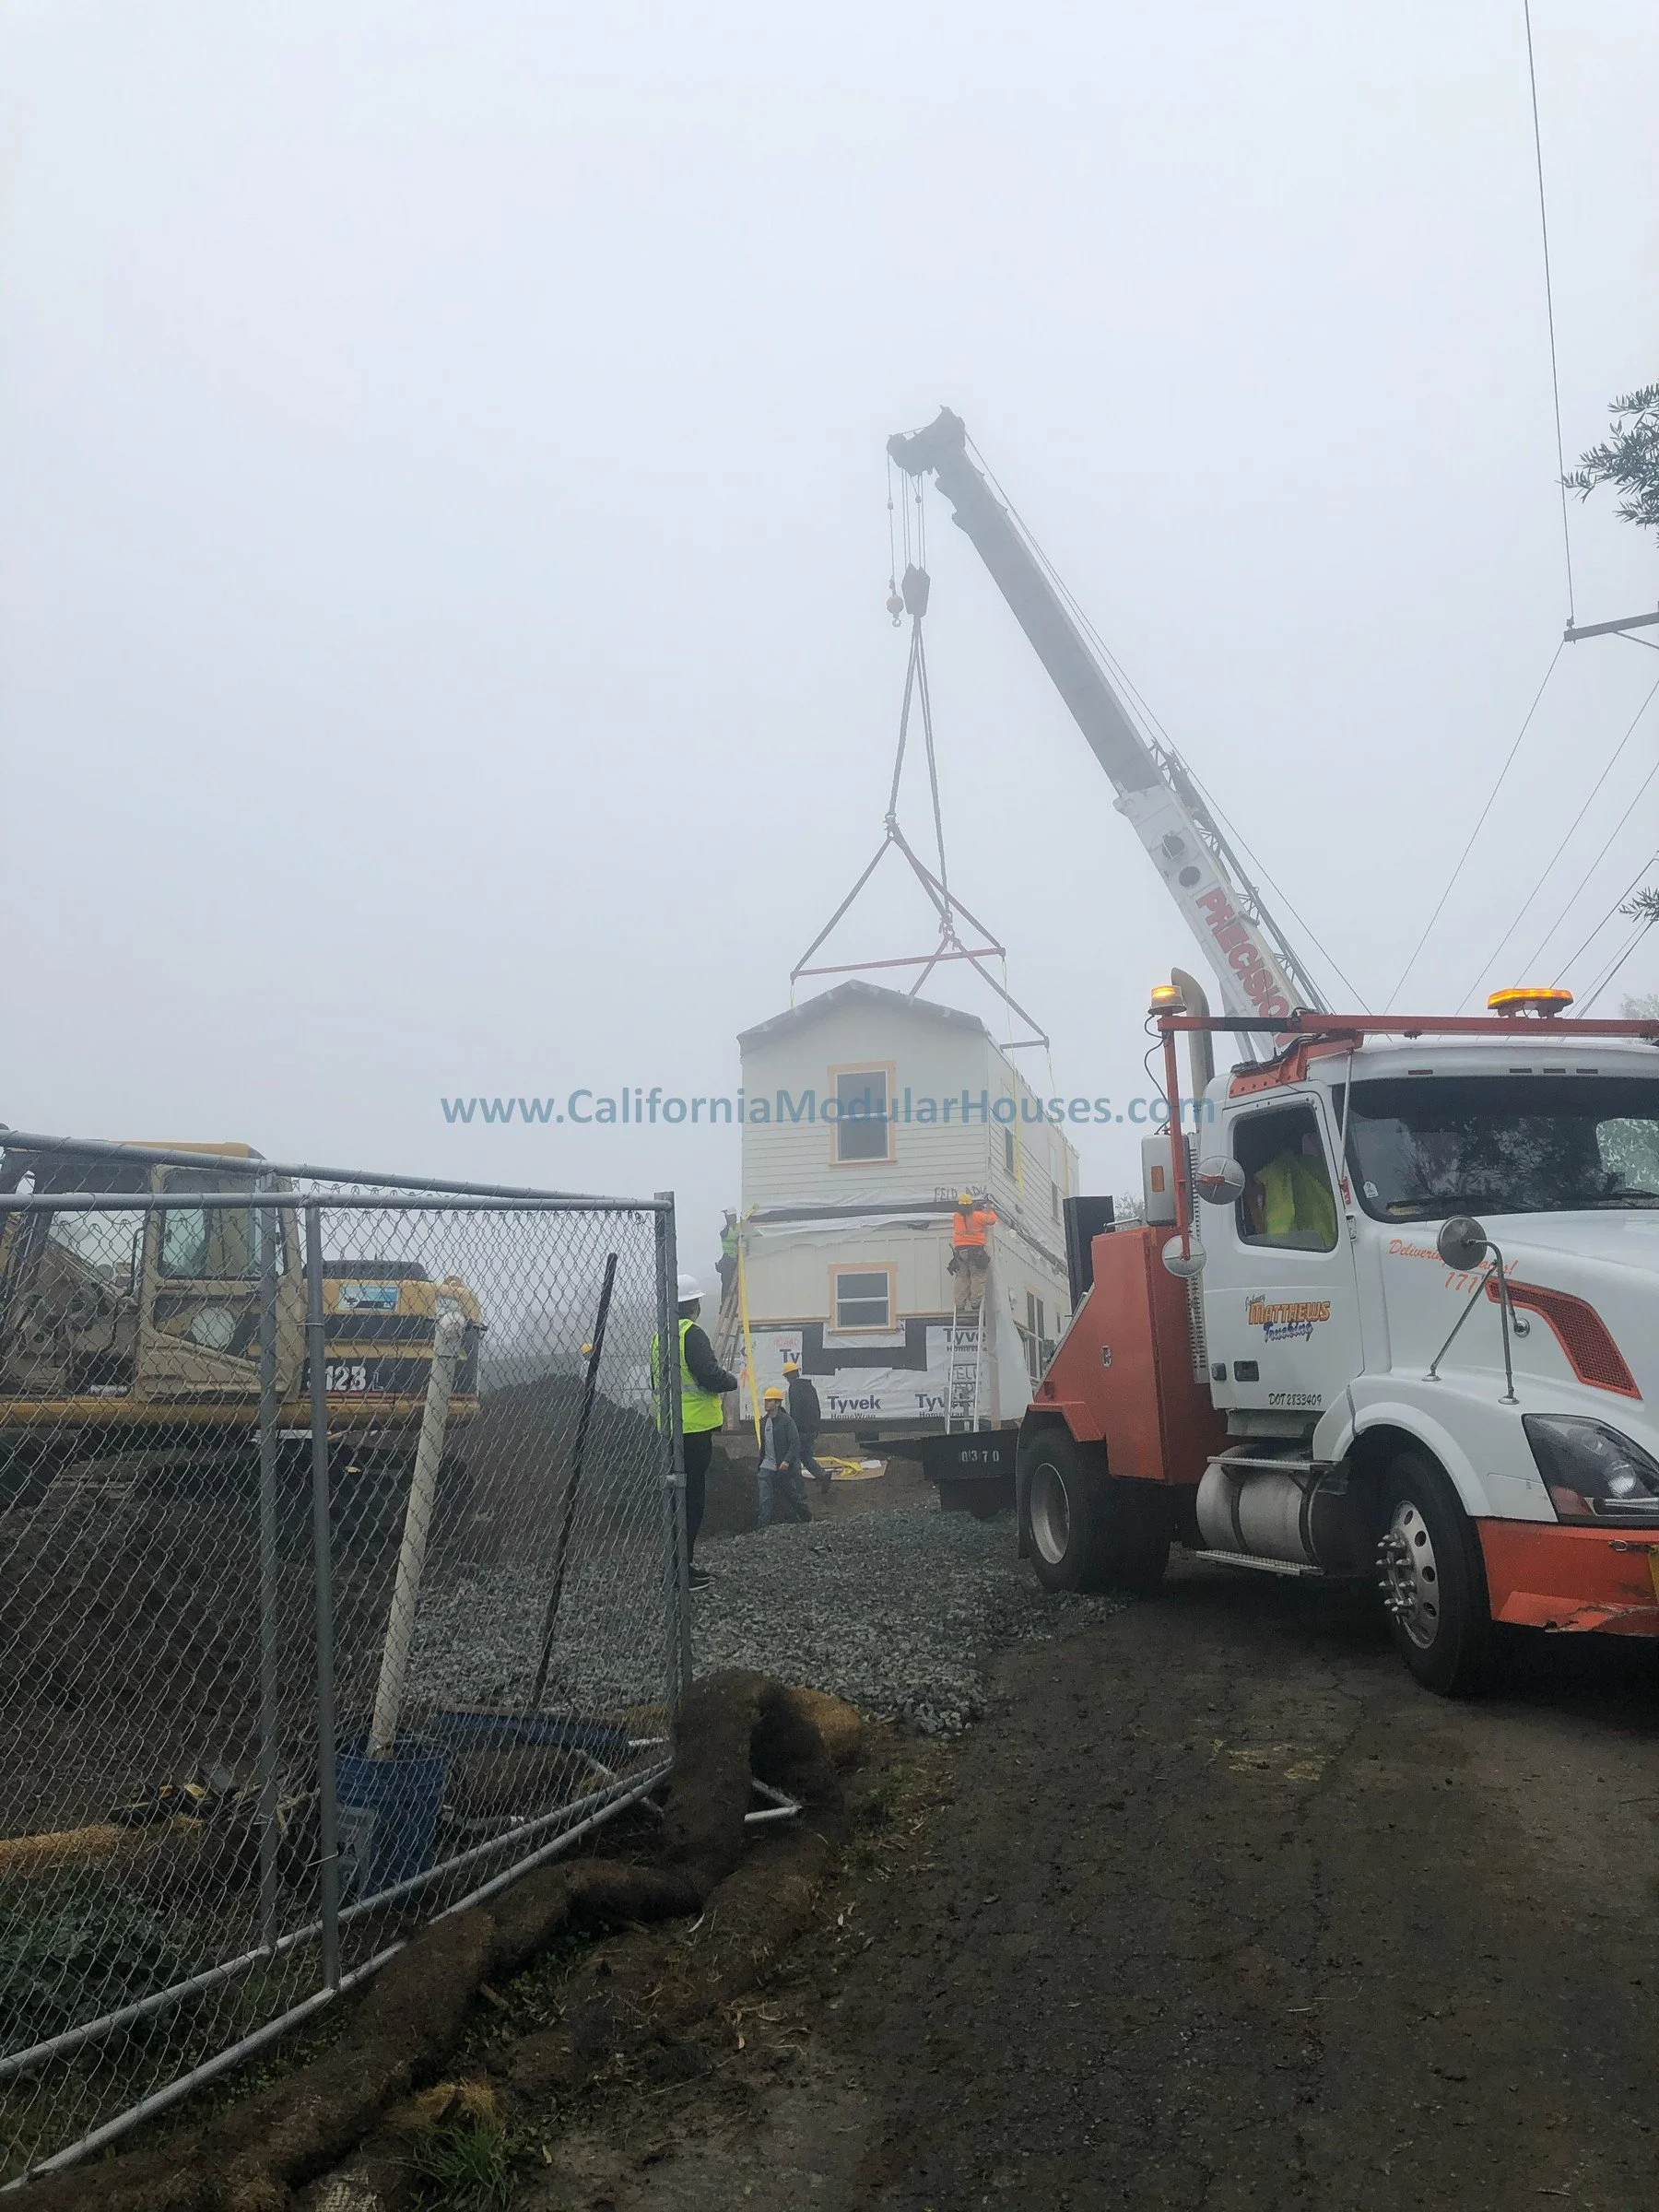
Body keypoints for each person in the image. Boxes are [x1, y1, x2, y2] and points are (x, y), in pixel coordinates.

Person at [650, 1270, 738, 1590]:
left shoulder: (661, 1336)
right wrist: (731, 1380)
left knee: (677, 1500)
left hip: (670, 1430)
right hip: (695, 1431)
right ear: (694, 1305)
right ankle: (682, 1572)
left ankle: (676, 1566)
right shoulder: (692, 1334)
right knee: (692, 1500)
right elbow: (709, 1375)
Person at [1247, 1131, 1338, 1248]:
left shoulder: (1269, 1173)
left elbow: (1254, 1204)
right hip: (1329, 1240)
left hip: (1286, 1244)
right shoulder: (1318, 1165)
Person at [756, 1383, 808, 1528]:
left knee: (792, 1496)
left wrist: (786, 1461)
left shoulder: (787, 1421)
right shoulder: (764, 1422)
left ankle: (807, 1517)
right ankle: (763, 1526)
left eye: (770, 1400)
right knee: (764, 1498)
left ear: (777, 1403)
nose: (766, 1403)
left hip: (782, 1468)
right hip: (766, 1466)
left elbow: (795, 1443)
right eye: (765, 1400)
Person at [783, 1355, 830, 1493]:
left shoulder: (794, 1389)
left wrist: (792, 1430)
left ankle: (799, 1490)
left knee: (795, 1458)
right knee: (806, 1456)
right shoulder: (810, 1387)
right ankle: (823, 1476)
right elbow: (817, 1409)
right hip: (812, 1430)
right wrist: (817, 1428)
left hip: (800, 1431)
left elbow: (795, 1412)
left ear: (787, 1377)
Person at [948, 1188, 997, 1312]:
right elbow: (992, 1220)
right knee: (977, 1276)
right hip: (976, 1250)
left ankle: (959, 1304)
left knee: (962, 1277)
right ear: (971, 1205)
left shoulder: (956, 1217)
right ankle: (975, 1303)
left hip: (960, 1252)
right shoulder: (977, 1216)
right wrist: (989, 1210)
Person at [716, 1209, 739, 1309]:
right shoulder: (724, 1228)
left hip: (738, 1259)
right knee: (727, 1284)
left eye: (734, 1216)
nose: (733, 1218)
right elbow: (723, 1234)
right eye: (730, 1216)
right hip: (728, 1260)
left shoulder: (740, 1227)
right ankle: (725, 1306)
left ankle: (735, 1305)